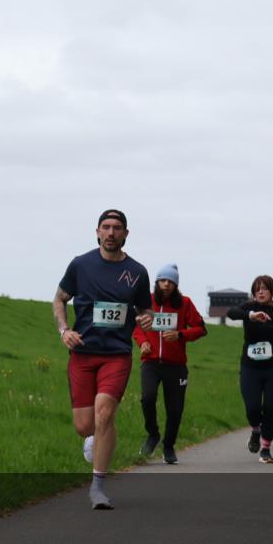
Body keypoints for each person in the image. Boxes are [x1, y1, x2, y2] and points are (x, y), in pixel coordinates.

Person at [53, 209, 153, 509]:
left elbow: (145, 310)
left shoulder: (137, 271)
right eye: (106, 227)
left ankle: (97, 487)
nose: (111, 233)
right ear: (97, 232)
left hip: (116, 354)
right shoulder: (80, 264)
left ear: (126, 234)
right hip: (82, 352)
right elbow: (59, 298)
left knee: (105, 413)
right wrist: (64, 330)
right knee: (85, 425)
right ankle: (94, 437)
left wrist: (146, 319)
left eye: (117, 228)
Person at [131, 264, 207, 464]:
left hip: (176, 365)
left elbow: (201, 329)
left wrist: (180, 334)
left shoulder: (184, 303)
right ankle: (153, 434)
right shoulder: (145, 301)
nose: (166, 285)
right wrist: (143, 342)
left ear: (176, 285)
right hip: (151, 362)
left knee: (175, 409)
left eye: (171, 282)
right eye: (163, 280)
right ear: (156, 281)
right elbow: (136, 326)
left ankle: (168, 446)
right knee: (147, 398)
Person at [228, 276, 273, 464]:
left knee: (270, 408)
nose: (260, 292)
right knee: (252, 407)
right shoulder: (248, 307)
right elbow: (231, 312)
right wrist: (250, 315)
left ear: (272, 291)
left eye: (264, 288)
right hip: (251, 368)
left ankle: (265, 448)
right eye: (257, 289)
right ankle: (255, 430)